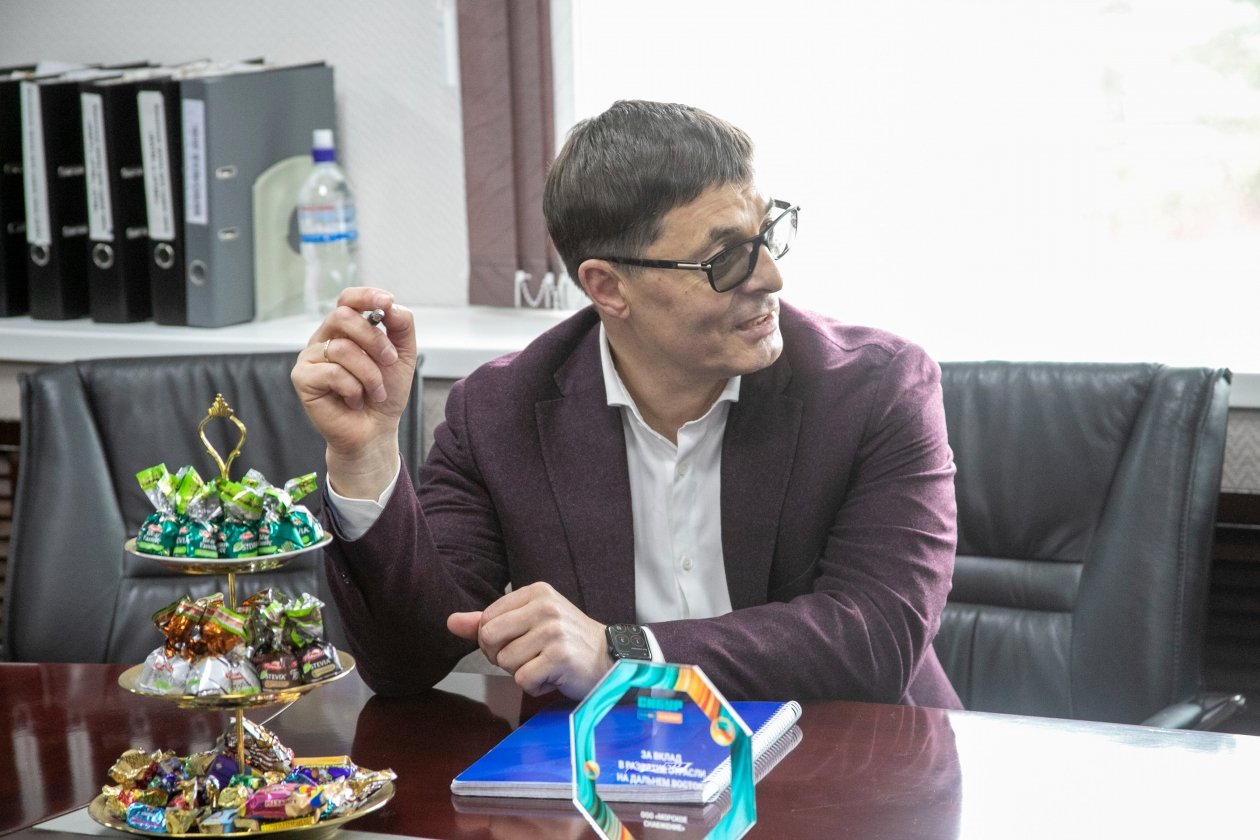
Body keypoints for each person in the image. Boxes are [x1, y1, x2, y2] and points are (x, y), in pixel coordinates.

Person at [291, 99, 961, 708]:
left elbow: (877, 638)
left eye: (768, 233)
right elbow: (409, 660)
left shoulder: (876, 389)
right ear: (608, 288)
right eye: (725, 259)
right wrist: (364, 456)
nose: (771, 277)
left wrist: (623, 654)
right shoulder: (498, 414)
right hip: (609, 773)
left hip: (846, 765)